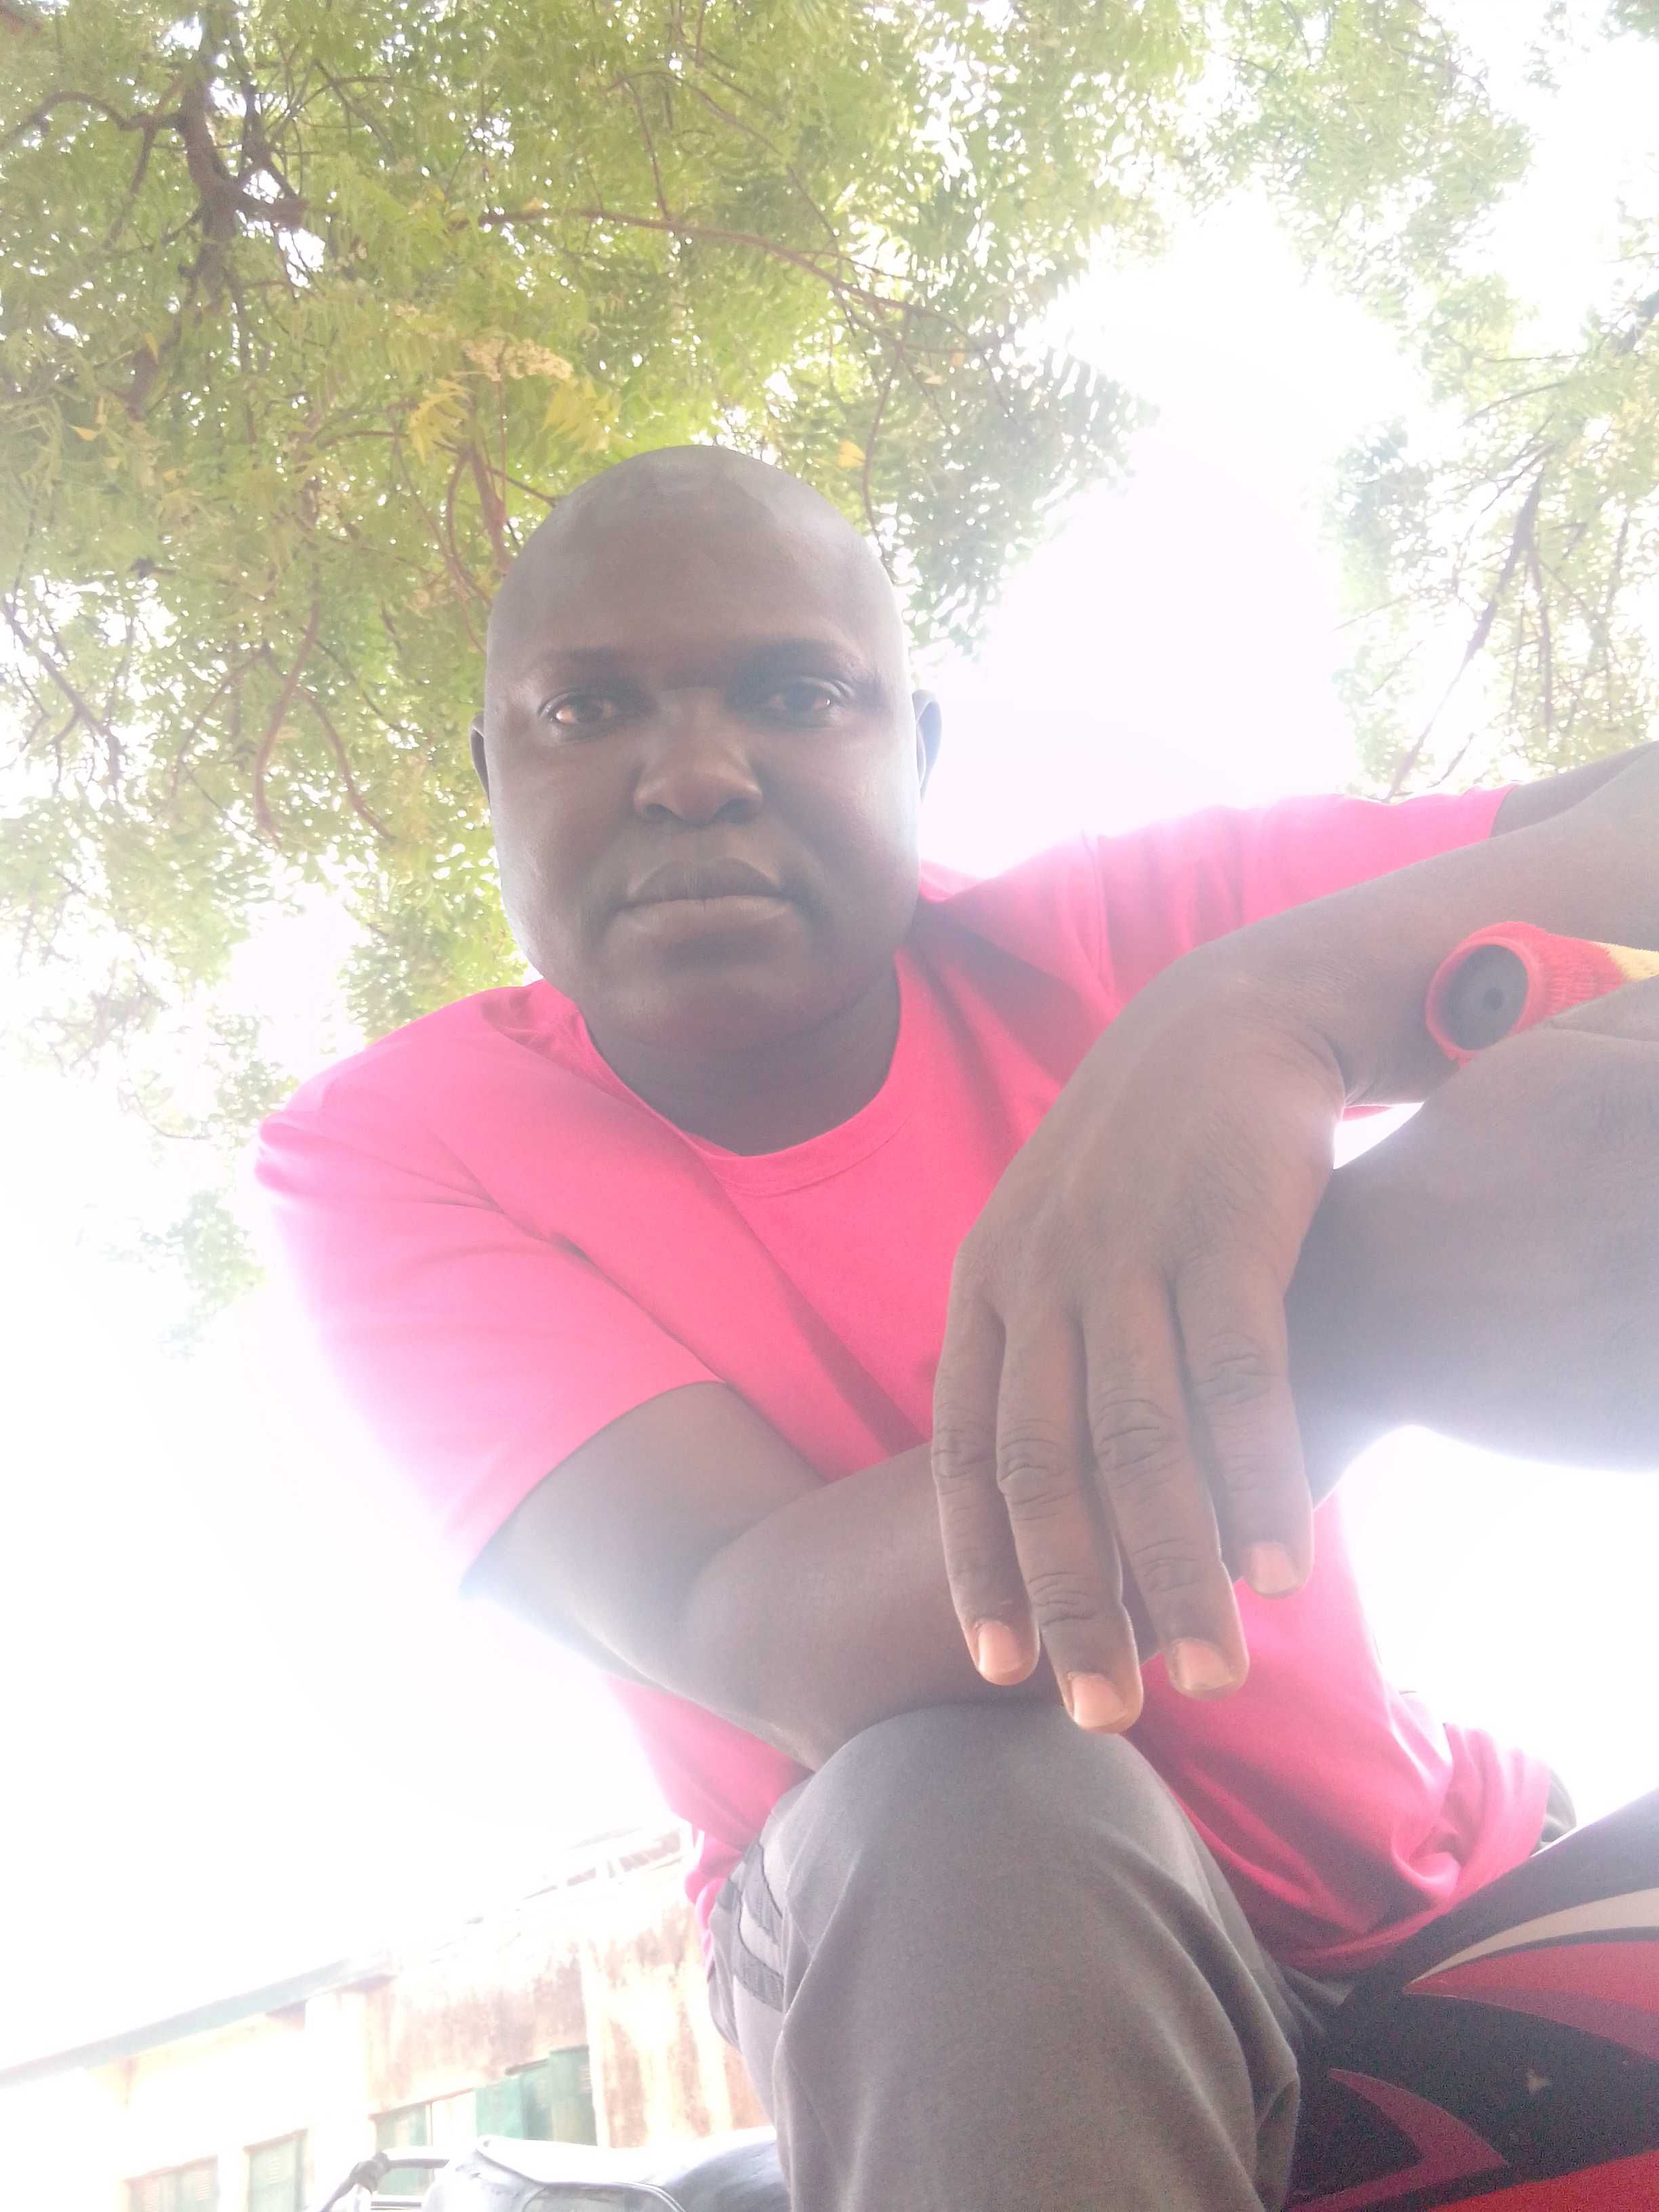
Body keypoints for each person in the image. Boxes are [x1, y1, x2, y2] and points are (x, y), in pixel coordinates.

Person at [257, 446, 1659, 2210]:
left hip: (1460, 1904)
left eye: (795, 694)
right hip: (943, 1946)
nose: (692, 772)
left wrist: (1273, 1001)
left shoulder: (1120, 945)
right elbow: (763, 1628)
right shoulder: (398, 1150)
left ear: (912, 753)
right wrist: (1360, 1316)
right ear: (494, 777)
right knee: (965, 1795)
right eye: (586, 709)